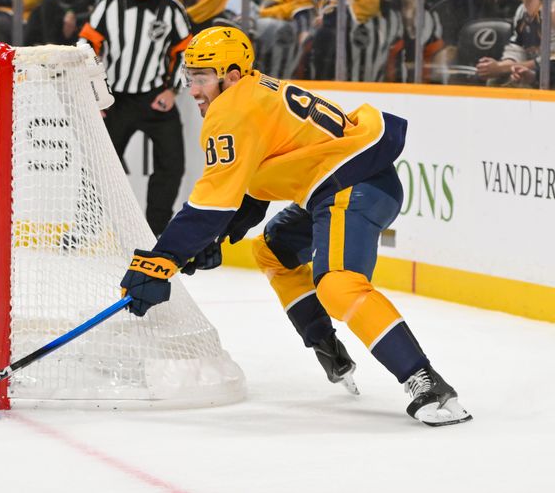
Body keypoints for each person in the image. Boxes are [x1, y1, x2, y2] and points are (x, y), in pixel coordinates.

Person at [118, 26, 472, 426]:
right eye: (190, 77)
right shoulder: (253, 91)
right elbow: (252, 183)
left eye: (201, 77)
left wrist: (160, 260)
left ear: (231, 76)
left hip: (352, 187)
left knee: (338, 283)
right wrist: (213, 235)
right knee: (272, 250)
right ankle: (326, 343)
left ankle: (426, 383)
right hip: (343, 185)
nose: (193, 89)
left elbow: (211, 201)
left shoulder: (233, 109)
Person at [79, 0, 193, 236]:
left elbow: (186, 52)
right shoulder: (109, 3)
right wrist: (96, 94)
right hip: (116, 99)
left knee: (172, 163)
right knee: (99, 163)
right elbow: (85, 47)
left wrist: (172, 90)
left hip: (156, 98)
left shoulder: (170, 8)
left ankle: (155, 231)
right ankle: (87, 227)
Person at [290, 0, 381, 81]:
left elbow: (369, 5)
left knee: (327, 35)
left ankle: (326, 84)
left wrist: (330, 17)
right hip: (318, 26)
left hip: (353, 24)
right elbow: (301, 3)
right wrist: (304, 29)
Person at [476, 0, 555, 85]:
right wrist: (497, 66)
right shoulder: (521, 11)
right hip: (530, 75)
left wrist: (502, 68)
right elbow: (516, 49)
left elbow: (550, 60)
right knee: (494, 81)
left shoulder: (551, 11)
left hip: (549, 81)